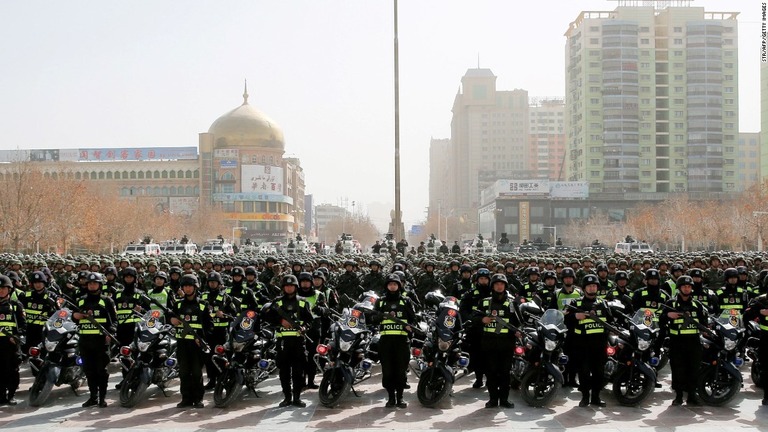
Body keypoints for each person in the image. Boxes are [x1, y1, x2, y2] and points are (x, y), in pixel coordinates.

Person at [262, 275, 313, 408]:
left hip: (298, 342)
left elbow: (310, 320)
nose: (289, 288)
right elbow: (267, 317)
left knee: (298, 371)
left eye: (291, 286)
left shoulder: (302, 302)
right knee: (284, 371)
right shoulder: (277, 303)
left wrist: (304, 327)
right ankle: (287, 397)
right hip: (283, 342)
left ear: (296, 287)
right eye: (286, 286)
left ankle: (297, 397)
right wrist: (280, 321)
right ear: (283, 287)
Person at [660, 275, 707, 406]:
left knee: (694, 369)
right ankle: (679, 396)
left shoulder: (697, 305)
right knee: (677, 369)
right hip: (677, 342)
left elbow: (704, 322)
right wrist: (668, 315)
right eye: (684, 286)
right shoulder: (671, 304)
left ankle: (692, 395)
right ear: (679, 288)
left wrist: (706, 330)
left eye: (689, 286)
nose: (687, 289)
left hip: (694, 342)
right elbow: (661, 319)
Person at [564, 274, 611, 407]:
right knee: (583, 373)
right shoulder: (575, 303)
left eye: (594, 286)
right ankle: (585, 397)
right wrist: (575, 316)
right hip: (582, 346)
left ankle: (596, 397)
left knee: (599, 373)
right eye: (589, 286)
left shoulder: (603, 303)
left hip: (600, 345)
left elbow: (611, 321)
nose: (592, 288)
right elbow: (565, 320)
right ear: (584, 288)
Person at [372, 274, 417, 408]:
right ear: (387, 286)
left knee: (400, 370)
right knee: (388, 371)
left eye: (395, 284)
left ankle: (400, 398)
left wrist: (410, 326)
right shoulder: (380, 301)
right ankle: (391, 397)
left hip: (401, 341)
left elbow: (413, 318)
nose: (392, 286)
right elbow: (373, 318)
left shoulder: (406, 301)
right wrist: (381, 316)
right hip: (386, 341)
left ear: (399, 286)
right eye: (390, 284)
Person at [74, 272, 118, 408]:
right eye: (90, 283)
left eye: (95, 283)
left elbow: (115, 321)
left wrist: (110, 333)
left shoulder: (107, 301)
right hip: (85, 341)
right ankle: (93, 396)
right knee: (89, 371)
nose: (92, 286)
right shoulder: (80, 300)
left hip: (101, 342)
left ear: (100, 284)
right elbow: (72, 317)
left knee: (101, 371)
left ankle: (102, 398)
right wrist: (75, 316)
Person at [475, 274, 517, 408]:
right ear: (492, 286)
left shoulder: (512, 303)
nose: (499, 286)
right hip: (489, 344)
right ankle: (493, 399)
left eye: (502, 284)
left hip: (506, 344)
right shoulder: (484, 302)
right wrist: (482, 320)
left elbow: (518, 322)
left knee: (505, 373)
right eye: (497, 284)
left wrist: (517, 331)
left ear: (505, 286)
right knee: (491, 372)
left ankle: (504, 399)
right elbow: (474, 319)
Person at [171, 274, 213, 408]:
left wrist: (202, 339)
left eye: (190, 286)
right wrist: (171, 320)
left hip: (196, 345)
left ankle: (198, 399)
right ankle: (186, 398)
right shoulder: (177, 304)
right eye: (185, 286)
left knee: (196, 372)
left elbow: (209, 326)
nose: (188, 289)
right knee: (183, 372)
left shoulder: (202, 305)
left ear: (195, 287)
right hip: (182, 344)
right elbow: (169, 317)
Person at [0, 275, 25, 405]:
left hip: (11, 344)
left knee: (12, 370)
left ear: (9, 289)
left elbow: (22, 325)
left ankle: (11, 395)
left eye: (4, 288)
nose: (1, 290)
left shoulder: (16, 306)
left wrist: (18, 337)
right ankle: (1, 395)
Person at [744, 289, 768, 405]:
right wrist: (759, 312)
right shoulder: (761, 300)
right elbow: (747, 313)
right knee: (765, 367)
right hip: (765, 339)